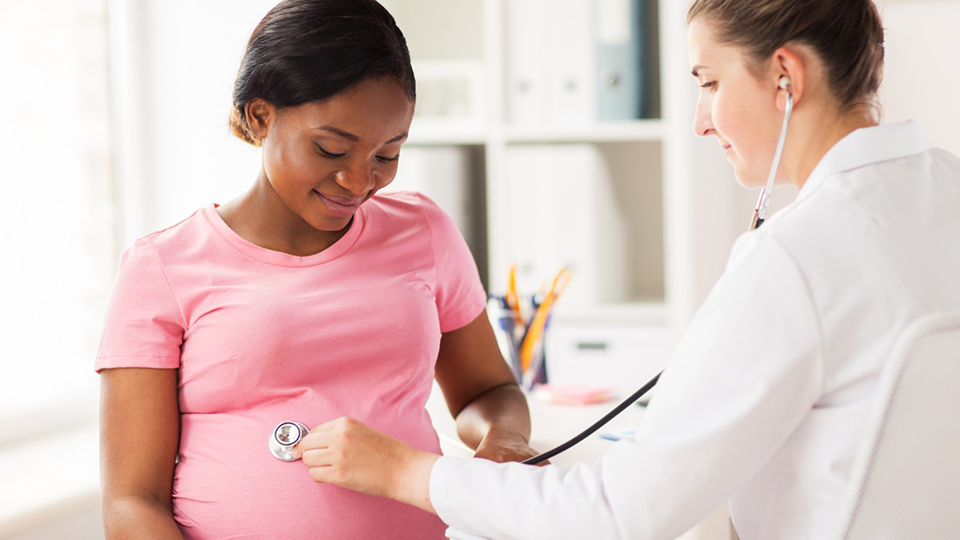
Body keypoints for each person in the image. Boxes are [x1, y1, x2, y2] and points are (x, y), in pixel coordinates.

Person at [295, 0, 960, 538]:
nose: (702, 121)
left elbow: (621, 515)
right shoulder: (947, 192)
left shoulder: (795, 258)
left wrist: (404, 472)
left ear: (785, 74)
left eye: (709, 82)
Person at [95, 1, 538, 538]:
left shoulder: (423, 229)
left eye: (387, 154)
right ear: (261, 116)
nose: (359, 181)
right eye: (331, 149)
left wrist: (503, 442)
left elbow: (487, 392)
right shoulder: (161, 267)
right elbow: (131, 502)